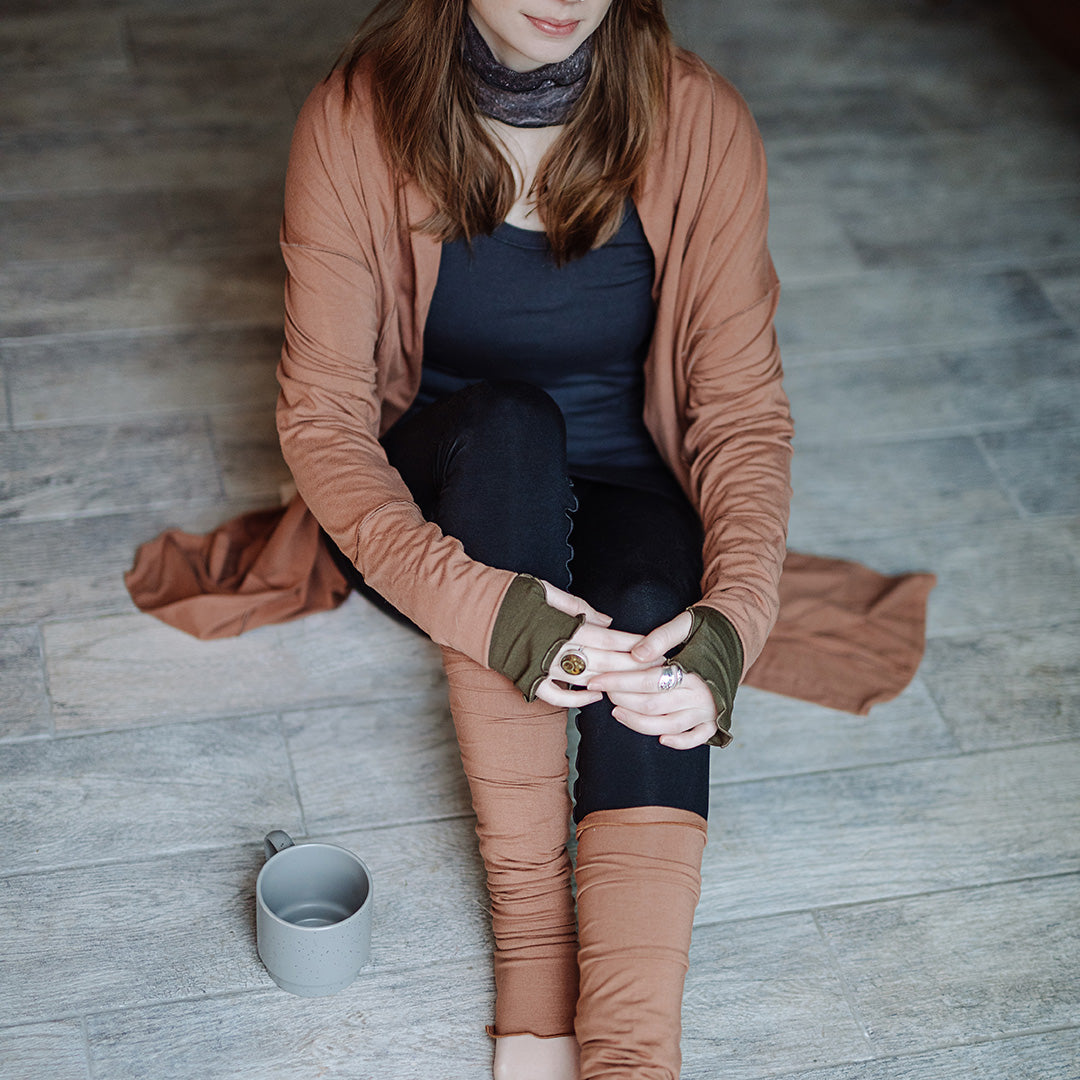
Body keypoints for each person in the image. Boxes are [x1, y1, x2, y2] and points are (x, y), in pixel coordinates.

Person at [276, 0, 789, 1076]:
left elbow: (740, 416)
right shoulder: (353, 118)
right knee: (512, 428)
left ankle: (632, 1058)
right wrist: (484, 608)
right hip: (446, 498)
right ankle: (533, 961)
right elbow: (321, 423)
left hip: (625, 479)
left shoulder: (702, 122)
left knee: (655, 615)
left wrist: (732, 622)